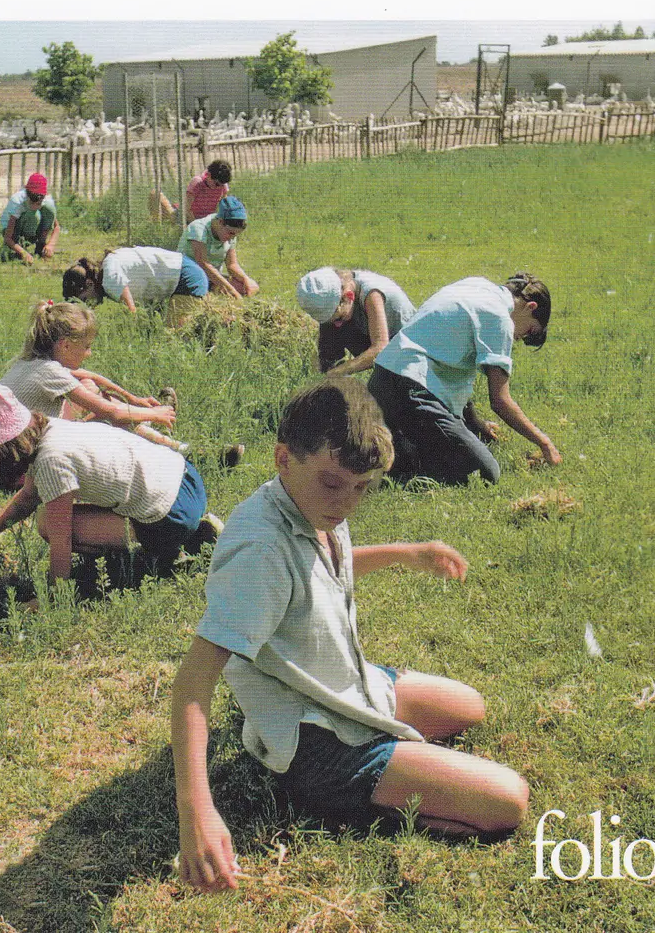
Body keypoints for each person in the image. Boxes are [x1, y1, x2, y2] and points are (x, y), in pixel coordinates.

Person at [171, 378, 529, 894]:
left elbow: (321, 569)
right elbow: (191, 687)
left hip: (344, 681)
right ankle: (346, 797)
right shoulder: (259, 553)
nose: (347, 503)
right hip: (314, 739)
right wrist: (197, 812)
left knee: (469, 707)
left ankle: (390, 745)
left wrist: (408, 552)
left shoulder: (311, 501)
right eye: (335, 483)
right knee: (508, 801)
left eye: (362, 488)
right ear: (283, 457)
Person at [0, 377, 222, 584]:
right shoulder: (48, 429)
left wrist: (53, 595)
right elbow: (29, 496)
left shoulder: (51, 462)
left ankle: (171, 550)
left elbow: (60, 538)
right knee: (48, 515)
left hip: (171, 514)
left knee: (46, 523)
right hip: (186, 478)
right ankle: (198, 531)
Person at [368, 272, 562, 486]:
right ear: (530, 307)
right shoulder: (500, 319)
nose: (521, 337)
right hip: (411, 388)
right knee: (486, 473)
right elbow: (500, 401)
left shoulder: (476, 285)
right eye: (529, 331)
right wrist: (545, 444)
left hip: (382, 381)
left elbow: (452, 372)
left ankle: (398, 455)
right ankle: (404, 466)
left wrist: (475, 423)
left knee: (438, 445)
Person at [0, 300, 188, 453]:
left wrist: (133, 399)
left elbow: (89, 376)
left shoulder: (31, 363)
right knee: (105, 417)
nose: (89, 353)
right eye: (86, 346)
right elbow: (111, 412)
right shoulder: (50, 372)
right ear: (65, 345)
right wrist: (155, 413)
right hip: (27, 455)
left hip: (17, 446)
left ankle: (154, 427)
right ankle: (176, 448)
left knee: (89, 387)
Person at [296, 266, 416, 375]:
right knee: (329, 329)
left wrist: (340, 371)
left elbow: (380, 349)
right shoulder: (340, 290)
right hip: (369, 333)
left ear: (349, 297)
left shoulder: (372, 294)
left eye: (339, 318)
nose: (337, 324)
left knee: (380, 385)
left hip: (404, 349)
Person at [62, 245, 209, 316]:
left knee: (173, 337)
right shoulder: (108, 269)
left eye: (85, 300)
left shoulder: (110, 280)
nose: (88, 305)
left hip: (186, 279)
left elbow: (133, 312)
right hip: (184, 272)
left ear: (89, 284)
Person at [177, 195, 259, 299]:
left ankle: (213, 291)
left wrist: (246, 279)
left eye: (235, 235)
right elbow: (203, 263)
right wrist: (231, 290)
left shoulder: (230, 233)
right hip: (189, 277)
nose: (231, 238)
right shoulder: (198, 228)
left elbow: (232, 264)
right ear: (220, 222)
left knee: (247, 287)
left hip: (211, 278)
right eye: (230, 233)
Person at [0, 172, 60, 263]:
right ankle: (20, 245)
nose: (35, 206)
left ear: (43, 198)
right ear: (27, 195)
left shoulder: (47, 202)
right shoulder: (18, 202)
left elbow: (57, 227)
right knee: (34, 215)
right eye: (31, 202)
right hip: (11, 232)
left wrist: (51, 245)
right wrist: (23, 252)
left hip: (31, 230)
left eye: (38, 203)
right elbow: (7, 237)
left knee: (49, 209)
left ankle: (41, 246)